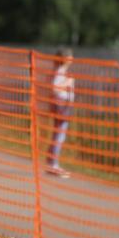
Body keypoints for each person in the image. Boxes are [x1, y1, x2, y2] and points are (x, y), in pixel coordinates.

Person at [45, 48, 75, 177]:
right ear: (65, 59)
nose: (72, 59)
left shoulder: (60, 71)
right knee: (59, 135)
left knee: (58, 133)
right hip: (61, 104)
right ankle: (53, 164)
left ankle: (51, 162)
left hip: (62, 104)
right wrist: (68, 82)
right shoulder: (60, 72)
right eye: (70, 57)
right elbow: (55, 88)